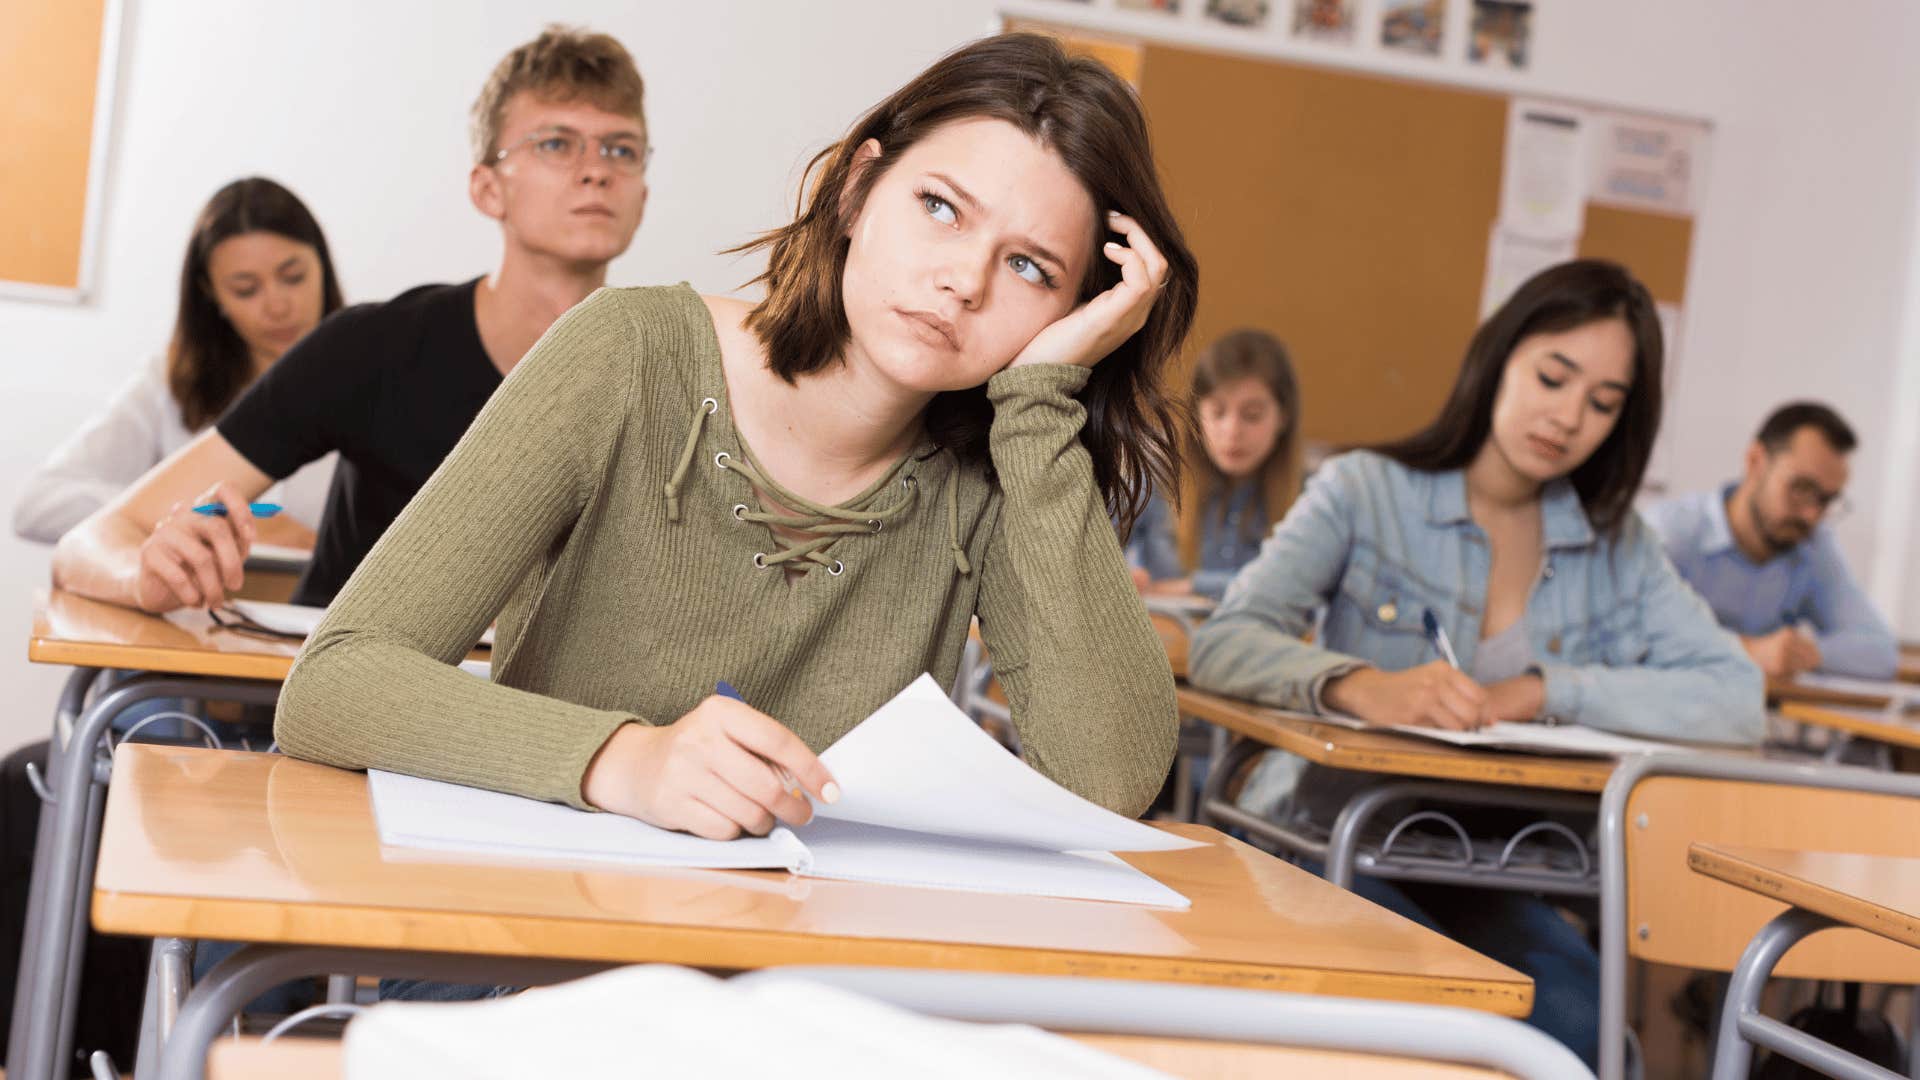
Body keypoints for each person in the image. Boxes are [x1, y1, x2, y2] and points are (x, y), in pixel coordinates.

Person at [275, 30, 1197, 851]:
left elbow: (1107, 783)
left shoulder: (1003, 467)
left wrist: (1041, 403)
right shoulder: (628, 351)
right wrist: (625, 762)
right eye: (941, 208)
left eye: (1030, 267)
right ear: (856, 188)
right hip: (531, 936)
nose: (964, 281)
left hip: (792, 973)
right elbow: (336, 682)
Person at [1187, 259, 1764, 1067]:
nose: (1567, 418)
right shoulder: (1363, 490)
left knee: (1590, 1046)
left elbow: (1737, 697)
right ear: (1500, 357)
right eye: (1553, 377)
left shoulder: (1618, 547)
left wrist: (1544, 690)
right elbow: (1222, 641)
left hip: (1501, 867)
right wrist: (1362, 686)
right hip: (1332, 840)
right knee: (1449, 1035)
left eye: (1603, 403)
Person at [49, 25, 651, 612]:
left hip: (537, 711)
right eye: (555, 143)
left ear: (641, 194)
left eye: (620, 149)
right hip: (333, 705)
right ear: (487, 188)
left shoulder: (676, 378)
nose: (596, 169)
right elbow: (94, 539)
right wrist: (142, 574)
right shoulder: (372, 347)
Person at [14, 177, 341, 543]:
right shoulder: (170, 383)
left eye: (293, 277)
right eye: (245, 289)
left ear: (322, 266)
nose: (277, 306)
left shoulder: (370, 378)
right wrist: (193, 516)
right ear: (210, 292)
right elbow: (37, 504)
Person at [1642, 402, 1899, 681]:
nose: (1812, 514)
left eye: (1826, 500)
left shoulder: (1813, 546)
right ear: (1755, 461)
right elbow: (1627, 634)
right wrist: (1746, 650)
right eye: (1801, 488)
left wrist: (1808, 652)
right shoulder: (1671, 532)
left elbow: (1881, 650)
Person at [1127, 328, 1299, 600]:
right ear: (1196, 414)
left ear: (1283, 417)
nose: (1232, 432)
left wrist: (1190, 587)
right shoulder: (1152, 474)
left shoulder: (1312, 498)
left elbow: (1298, 587)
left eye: (1252, 416)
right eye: (1217, 413)